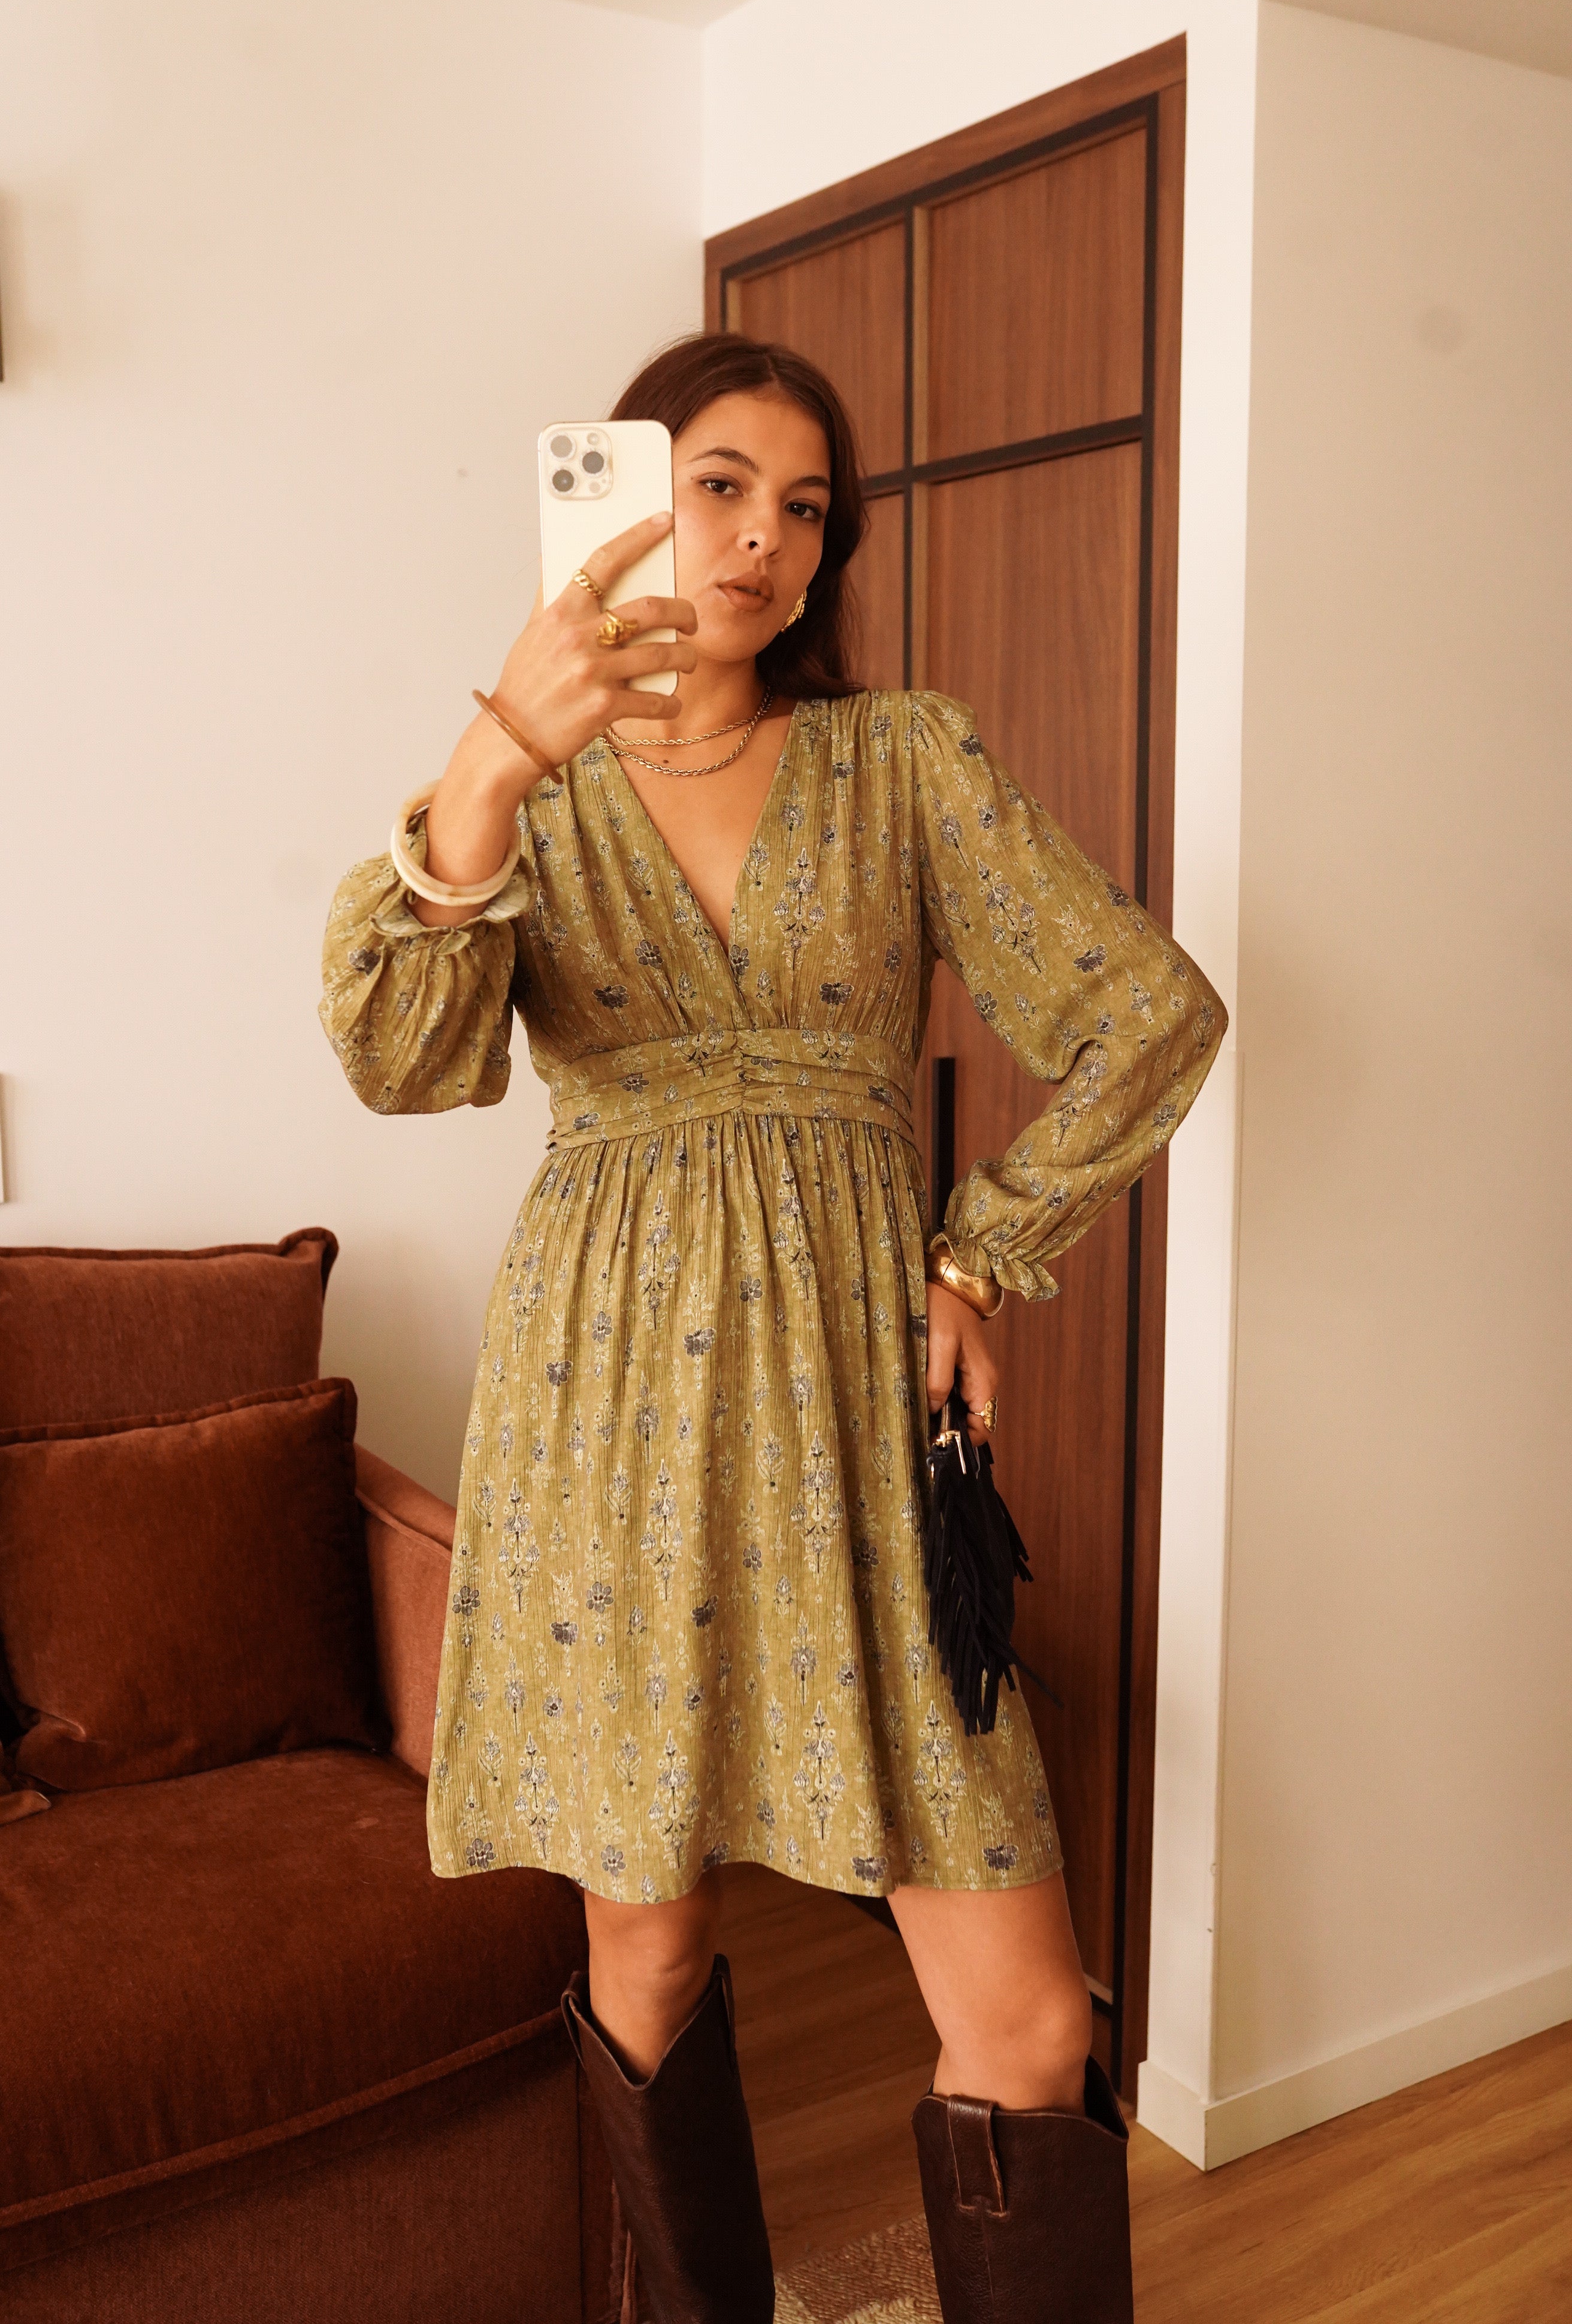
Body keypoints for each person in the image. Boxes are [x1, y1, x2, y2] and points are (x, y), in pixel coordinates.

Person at [321, 331, 1225, 2324]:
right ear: (626, 499)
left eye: (806, 508)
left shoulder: (903, 759)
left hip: (858, 1415)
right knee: (646, 1951)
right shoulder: (525, 799)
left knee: (1031, 2020)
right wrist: (498, 753)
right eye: (720, 486)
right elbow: (401, 1058)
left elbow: (1149, 1014)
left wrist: (981, 1255)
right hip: (605, 1413)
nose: (764, 541)